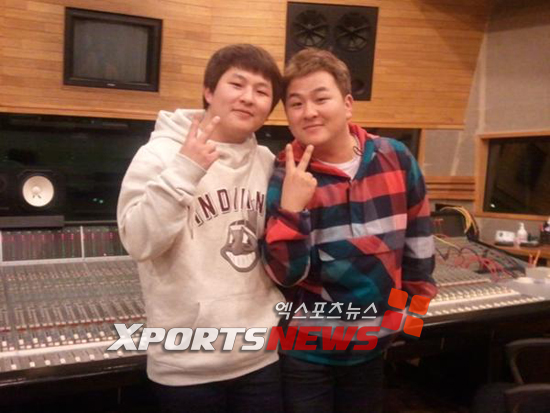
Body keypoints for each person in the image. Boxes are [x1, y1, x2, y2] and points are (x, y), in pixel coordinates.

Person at [262, 48, 438, 413]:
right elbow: (285, 274)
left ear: (347, 104)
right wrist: (292, 209)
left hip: (374, 349)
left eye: (320, 98)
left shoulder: (396, 157)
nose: (309, 112)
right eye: (296, 103)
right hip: (304, 352)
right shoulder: (285, 174)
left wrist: (409, 319)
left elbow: (419, 247)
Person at [117, 44, 285, 413]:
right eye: (237, 84)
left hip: (260, 358)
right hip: (185, 368)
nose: (248, 97)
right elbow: (139, 242)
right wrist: (185, 169)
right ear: (209, 91)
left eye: (261, 91)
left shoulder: (267, 162)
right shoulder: (160, 155)